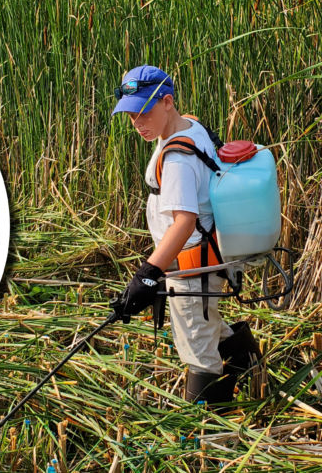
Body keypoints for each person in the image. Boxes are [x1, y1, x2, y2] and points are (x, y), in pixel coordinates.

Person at [111, 65, 261, 406]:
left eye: (144, 112)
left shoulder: (177, 157)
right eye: (131, 116)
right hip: (207, 260)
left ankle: (207, 430)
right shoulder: (190, 126)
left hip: (194, 267)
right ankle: (251, 365)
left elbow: (184, 221)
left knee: (195, 342)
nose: (138, 123)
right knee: (205, 322)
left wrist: (148, 275)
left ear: (167, 102)